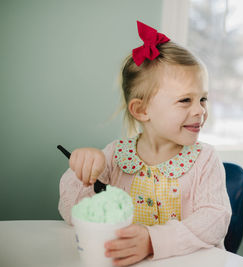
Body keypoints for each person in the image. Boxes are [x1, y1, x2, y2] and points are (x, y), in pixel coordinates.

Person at [58, 21, 232, 267]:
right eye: (185, 100)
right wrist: (83, 172)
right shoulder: (116, 157)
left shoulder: (205, 160)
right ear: (142, 110)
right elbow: (71, 214)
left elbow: (214, 222)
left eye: (203, 99)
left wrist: (153, 240)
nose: (200, 110)